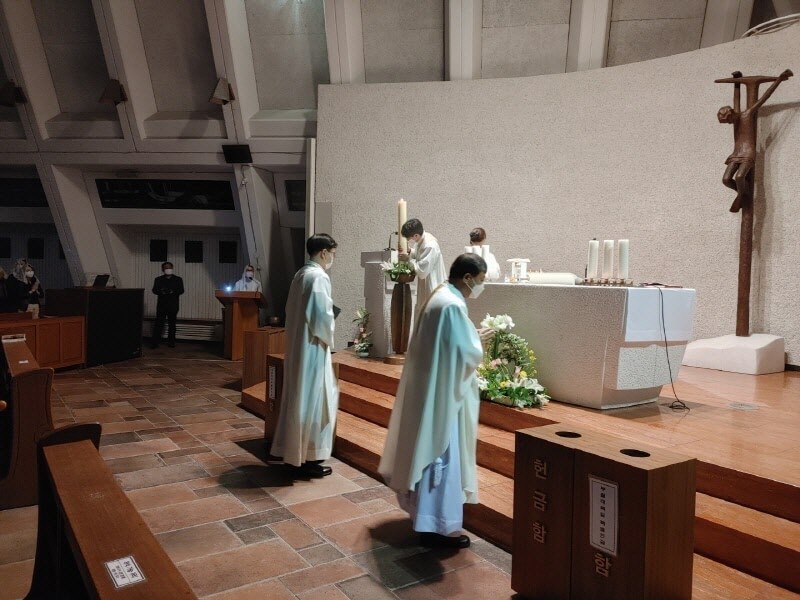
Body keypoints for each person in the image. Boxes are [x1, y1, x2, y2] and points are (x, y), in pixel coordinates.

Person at [379, 253, 492, 549]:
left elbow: (446, 343)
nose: (481, 286)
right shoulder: (453, 304)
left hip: (430, 391)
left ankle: (426, 520)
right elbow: (464, 354)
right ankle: (439, 527)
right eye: (480, 280)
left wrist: (471, 334)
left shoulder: (438, 295)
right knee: (442, 457)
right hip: (444, 398)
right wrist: (479, 341)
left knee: (430, 455)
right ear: (467, 277)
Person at [270, 234, 339, 478]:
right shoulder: (318, 277)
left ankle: (294, 455)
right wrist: (331, 333)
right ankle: (308, 458)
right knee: (315, 401)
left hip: (299, 346)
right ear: (323, 252)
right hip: (312, 348)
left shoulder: (300, 274)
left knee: (299, 399)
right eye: (332, 253)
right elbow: (321, 317)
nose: (332, 258)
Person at [399, 218, 446, 320]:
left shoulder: (430, 245)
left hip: (432, 283)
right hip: (425, 284)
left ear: (416, 235)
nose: (410, 240)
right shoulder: (421, 240)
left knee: (431, 314)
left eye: (410, 238)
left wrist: (408, 259)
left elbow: (422, 270)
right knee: (424, 312)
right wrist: (409, 251)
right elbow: (419, 255)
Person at [151, 261, 184, 348]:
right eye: (166, 268)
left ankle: (171, 342)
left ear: (172, 268)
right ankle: (155, 343)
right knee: (158, 324)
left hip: (173, 305)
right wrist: (161, 292)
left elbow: (181, 290)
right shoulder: (158, 279)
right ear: (162, 269)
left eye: (169, 267)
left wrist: (173, 292)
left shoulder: (178, 279)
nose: (168, 269)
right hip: (161, 306)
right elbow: (154, 290)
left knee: (172, 325)